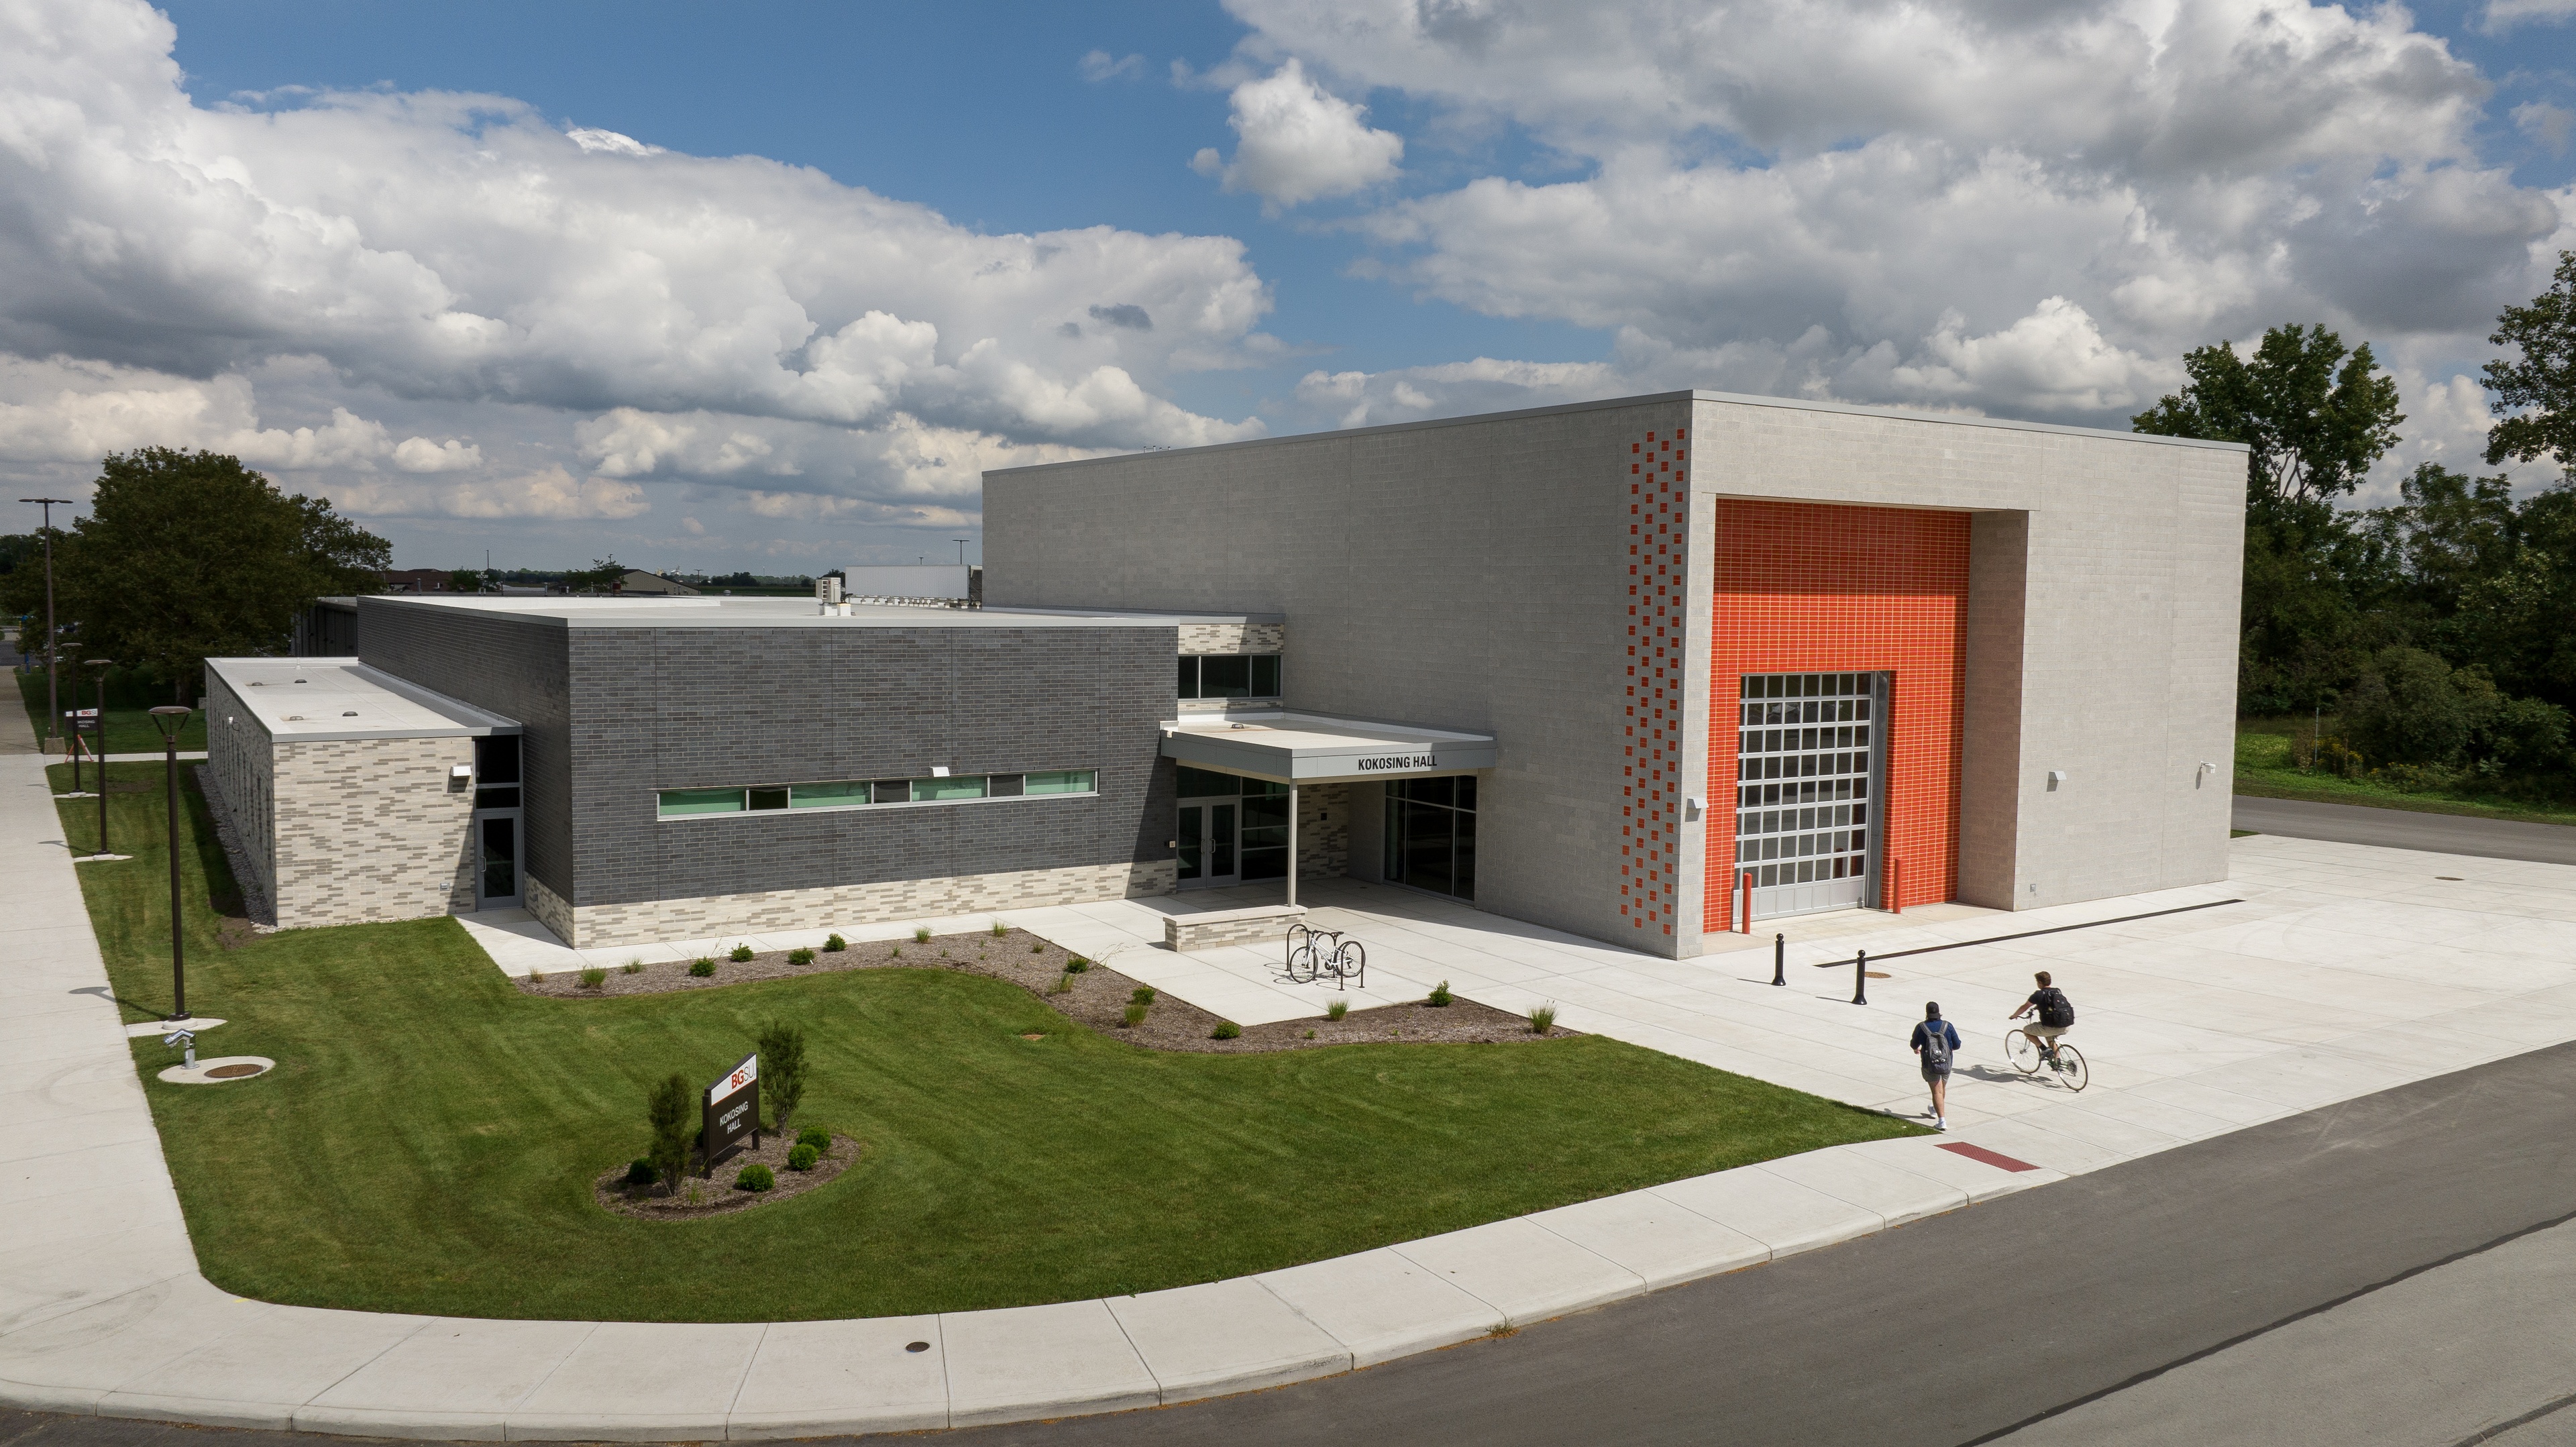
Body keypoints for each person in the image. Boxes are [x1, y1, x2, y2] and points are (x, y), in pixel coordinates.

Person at [1909, 1002, 1960, 1130]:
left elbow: (1913, 1044)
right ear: (1939, 1013)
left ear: (1927, 1013)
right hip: (1946, 1064)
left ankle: (1942, 1121)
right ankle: (1934, 1108)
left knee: (1937, 1091)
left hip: (1930, 1065)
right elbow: (1957, 1045)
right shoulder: (1947, 1026)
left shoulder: (1921, 1027)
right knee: (1941, 1089)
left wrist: (1918, 1048)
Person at [2010, 970, 2076, 1067]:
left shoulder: (2038, 995)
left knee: (2026, 1031)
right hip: (2065, 1026)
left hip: (2050, 1027)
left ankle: (2044, 1049)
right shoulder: (2057, 991)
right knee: (2050, 1038)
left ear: (2040, 983)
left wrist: (2015, 1015)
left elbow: (2024, 1007)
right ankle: (2057, 1062)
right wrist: (2038, 1007)